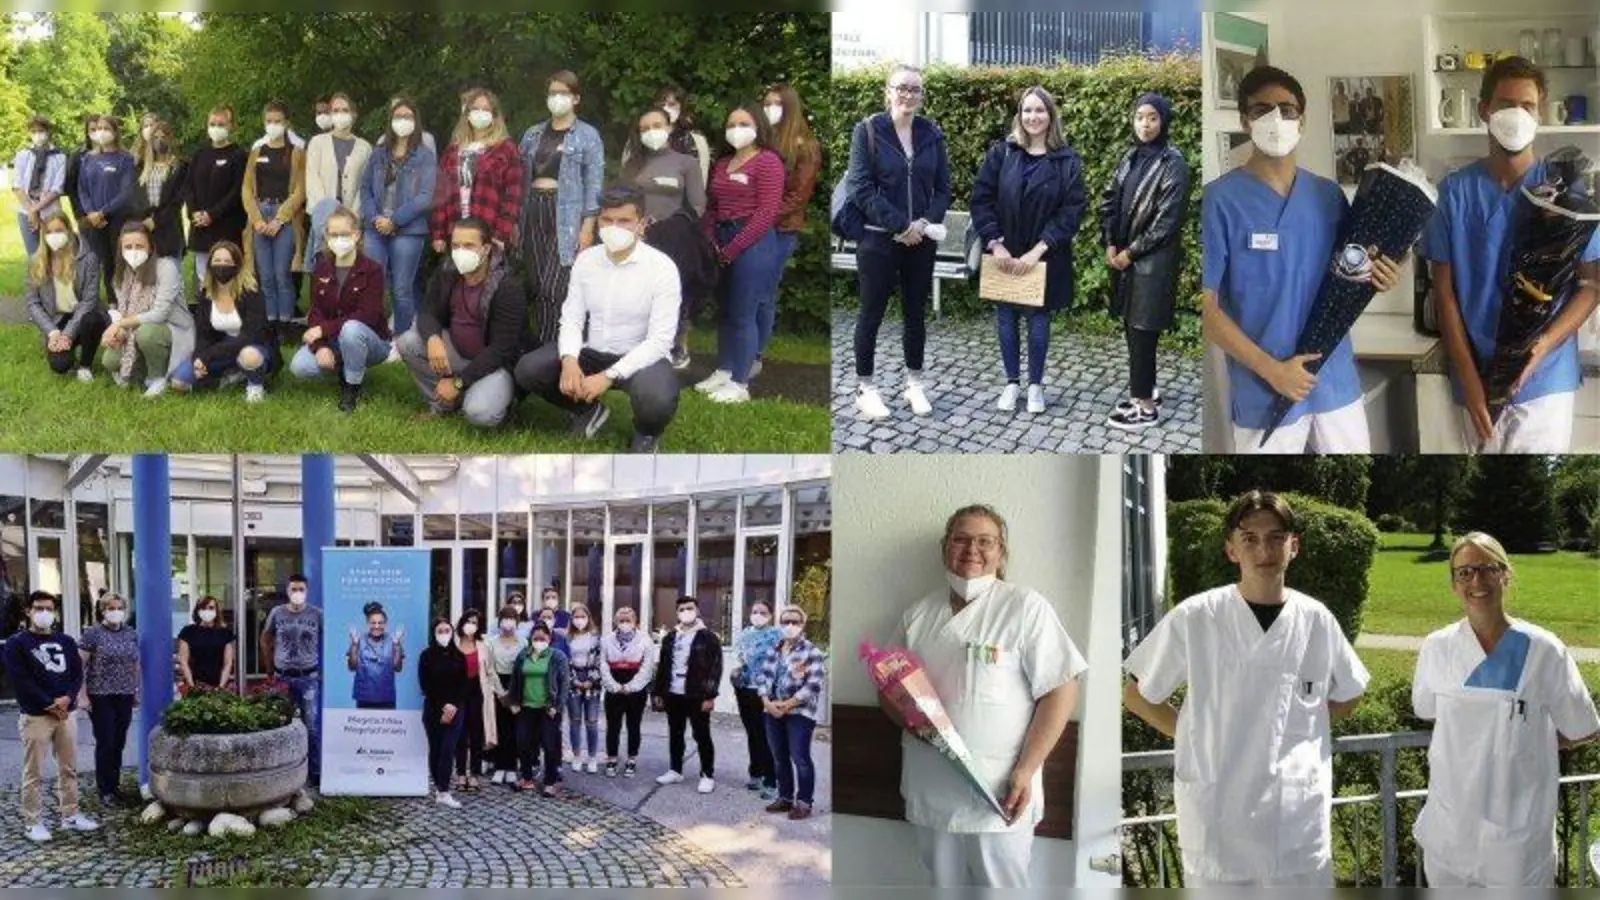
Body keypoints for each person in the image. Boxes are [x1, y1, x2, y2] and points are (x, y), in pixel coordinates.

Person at [1123, 490, 1369, 886]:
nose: (1264, 549)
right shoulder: (1197, 616)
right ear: (1231, 550)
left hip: (1296, 819)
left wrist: (1304, 728)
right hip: (1219, 818)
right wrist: (1190, 733)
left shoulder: (1316, 620)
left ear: (1294, 546)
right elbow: (1137, 694)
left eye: (1275, 537)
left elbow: (1352, 689)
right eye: (1249, 538)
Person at [1201, 66, 1401, 453]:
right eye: (1262, 110)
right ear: (1245, 120)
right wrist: (1272, 371)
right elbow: (1205, 307)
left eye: (1287, 109)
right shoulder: (1218, 202)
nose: (1276, 119)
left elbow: (1354, 272)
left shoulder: (1327, 196)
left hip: (1334, 382)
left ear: (1302, 119)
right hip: (1264, 391)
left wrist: (1386, 273)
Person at [884, 504, 1085, 887]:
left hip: (1000, 790)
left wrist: (1026, 770)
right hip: (932, 787)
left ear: (1001, 552)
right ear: (945, 548)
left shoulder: (1025, 607)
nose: (971, 549)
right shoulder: (918, 615)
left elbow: (1062, 688)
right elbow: (888, 690)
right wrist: (912, 721)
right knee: (942, 890)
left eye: (984, 541)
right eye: (960, 539)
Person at [1425, 56, 1599, 454]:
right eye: (1505, 104)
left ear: (1540, 114)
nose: (1516, 114)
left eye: (1527, 106)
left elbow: (1591, 285)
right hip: (1477, 378)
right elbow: (1444, 292)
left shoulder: (1566, 194)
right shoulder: (1454, 193)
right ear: (1484, 109)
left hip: (1545, 381)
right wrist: (1468, 379)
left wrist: (1543, 346)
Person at [1411, 531, 1600, 887]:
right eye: (1464, 572)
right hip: (1449, 831)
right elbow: (1427, 709)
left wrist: (1526, 743)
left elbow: (1583, 727)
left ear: (1505, 575)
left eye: (1487, 569)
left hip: (1518, 836)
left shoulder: (1544, 649)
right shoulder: (1437, 648)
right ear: (1454, 583)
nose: (1476, 580)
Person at [513, 185, 681, 452]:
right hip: (592, 351)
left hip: (640, 357)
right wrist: (569, 360)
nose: (614, 227)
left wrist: (608, 376)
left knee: (657, 397)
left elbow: (660, 340)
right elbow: (571, 318)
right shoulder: (587, 261)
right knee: (529, 369)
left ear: (642, 224)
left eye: (624, 221)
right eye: (607, 220)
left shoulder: (662, 268)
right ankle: (586, 411)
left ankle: (647, 434)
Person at [971, 85, 1088, 416]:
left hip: (1044, 254)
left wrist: (1038, 250)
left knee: (1038, 319)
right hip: (1004, 252)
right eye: (1027, 110)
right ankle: (1011, 383)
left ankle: (1035, 386)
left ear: (1051, 116)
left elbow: (1072, 210)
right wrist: (996, 244)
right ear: (1019, 115)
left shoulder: (1066, 160)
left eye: (1040, 110)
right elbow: (982, 199)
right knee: (1005, 317)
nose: (1033, 117)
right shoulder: (1003, 153)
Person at [845, 64, 953, 420]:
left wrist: (921, 224)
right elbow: (860, 188)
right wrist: (899, 225)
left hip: (921, 241)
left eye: (915, 89)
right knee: (871, 313)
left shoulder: (931, 134)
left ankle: (914, 384)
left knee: (914, 314)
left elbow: (942, 188)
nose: (908, 94)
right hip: (878, 240)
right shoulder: (868, 131)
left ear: (921, 96)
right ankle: (866, 388)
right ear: (887, 92)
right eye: (901, 87)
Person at [1099, 92, 1192, 430]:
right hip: (1126, 261)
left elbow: (1166, 224)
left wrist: (1129, 253)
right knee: (1132, 330)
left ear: (1163, 120)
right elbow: (1110, 200)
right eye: (1140, 117)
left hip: (1151, 266)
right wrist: (1110, 241)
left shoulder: (1174, 164)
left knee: (1142, 333)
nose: (1145, 124)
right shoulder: (1130, 157)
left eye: (1152, 117)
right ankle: (1146, 389)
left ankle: (1146, 408)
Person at [691, 105, 787, 405]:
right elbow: (713, 207)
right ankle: (724, 369)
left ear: (758, 126)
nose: (736, 129)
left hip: (753, 244)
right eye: (731, 123)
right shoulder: (723, 163)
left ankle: (740, 383)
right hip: (721, 239)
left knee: (744, 314)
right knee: (727, 311)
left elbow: (766, 214)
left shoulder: (769, 162)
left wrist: (732, 249)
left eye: (743, 123)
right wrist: (710, 239)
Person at [399, 217, 526, 426]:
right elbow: (428, 311)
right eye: (456, 245)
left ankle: (504, 403)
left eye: (469, 245)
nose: (460, 252)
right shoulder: (448, 270)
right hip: (458, 352)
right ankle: (441, 405)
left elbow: (502, 350)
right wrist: (433, 338)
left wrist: (458, 382)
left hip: (495, 365)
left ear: (486, 248)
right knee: (408, 342)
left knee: (478, 413)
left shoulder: (507, 286)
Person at [619, 106, 714, 371]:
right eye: (645, 128)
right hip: (637, 236)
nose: (651, 132)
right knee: (637, 292)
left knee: (674, 291)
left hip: (674, 238)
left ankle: (678, 342)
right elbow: (621, 199)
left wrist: (671, 222)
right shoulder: (633, 164)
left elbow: (697, 205)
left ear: (669, 127)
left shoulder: (686, 163)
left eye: (657, 126)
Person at [1, 591, 99, 842]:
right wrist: (48, 703)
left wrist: (68, 698)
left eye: (48, 608)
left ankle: (71, 815)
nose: (44, 613)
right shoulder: (17, 643)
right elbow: (21, 681)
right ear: (28, 611)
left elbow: (77, 674)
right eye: (38, 608)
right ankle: (33, 821)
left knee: (69, 767)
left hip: (66, 713)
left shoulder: (66, 641)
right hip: (36, 716)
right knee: (33, 771)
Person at [518, 70, 605, 347]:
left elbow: (594, 183)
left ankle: (556, 347)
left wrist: (588, 226)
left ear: (576, 98)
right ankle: (546, 347)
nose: (557, 98)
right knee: (536, 282)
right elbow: (518, 177)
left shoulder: (588, 135)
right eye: (553, 93)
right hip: (532, 209)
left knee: (553, 287)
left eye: (564, 93)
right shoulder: (532, 134)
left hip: (566, 215)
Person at [289, 206, 390, 413]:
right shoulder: (322, 268)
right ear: (326, 236)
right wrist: (321, 346)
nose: (338, 239)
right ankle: (348, 366)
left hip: (371, 340)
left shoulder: (373, 270)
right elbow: (316, 312)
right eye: (333, 234)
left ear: (356, 234)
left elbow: (368, 314)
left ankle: (351, 388)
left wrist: (323, 330)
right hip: (334, 339)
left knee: (351, 329)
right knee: (300, 367)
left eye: (344, 234)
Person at [361, 95, 438, 339]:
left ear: (416, 121)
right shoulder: (378, 153)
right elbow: (365, 189)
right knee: (373, 284)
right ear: (390, 120)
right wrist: (375, 218)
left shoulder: (425, 156)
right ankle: (375, 333)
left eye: (407, 117)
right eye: (398, 116)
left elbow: (425, 196)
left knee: (402, 288)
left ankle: (403, 339)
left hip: (409, 230)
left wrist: (394, 221)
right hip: (375, 228)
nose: (402, 121)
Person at [760, 83, 822, 369]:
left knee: (765, 293)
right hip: (756, 225)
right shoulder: (761, 140)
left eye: (776, 103)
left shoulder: (805, 146)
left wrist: (764, 216)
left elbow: (799, 195)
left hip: (781, 228)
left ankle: (756, 353)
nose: (769, 108)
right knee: (747, 292)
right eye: (766, 102)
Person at [170, 241, 273, 403]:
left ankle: (255, 385)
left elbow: (251, 335)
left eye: (227, 261)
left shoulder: (251, 291)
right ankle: (229, 377)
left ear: (237, 264)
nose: (221, 266)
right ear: (210, 264)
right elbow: (203, 334)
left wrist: (208, 356)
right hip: (221, 348)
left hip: (253, 345)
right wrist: (199, 357)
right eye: (217, 261)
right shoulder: (206, 294)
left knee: (249, 356)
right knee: (179, 383)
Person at [99, 222, 193, 397]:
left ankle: (157, 377)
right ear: (121, 249)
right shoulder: (121, 274)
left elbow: (160, 313)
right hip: (136, 327)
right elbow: (122, 311)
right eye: (128, 247)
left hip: (172, 328)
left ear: (150, 248)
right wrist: (118, 331)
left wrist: (121, 324)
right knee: (110, 361)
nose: (133, 251)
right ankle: (140, 369)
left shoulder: (166, 267)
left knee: (147, 334)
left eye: (139, 246)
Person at [431, 88, 523, 260]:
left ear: (495, 115)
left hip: (488, 231)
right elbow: (440, 195)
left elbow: (513, 196)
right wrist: (438, 233)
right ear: (467, 114)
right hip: (456, 230)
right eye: (476, 109)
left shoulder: (506, 148)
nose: (480, 113)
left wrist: (501, 232)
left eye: (486, 109)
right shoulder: (453, 150)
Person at [242, 101, 309, 336]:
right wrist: (257, 219)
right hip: (260, 216)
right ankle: (269, 325)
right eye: (269, 121)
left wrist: (280, 219)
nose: (273, 125)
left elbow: (300, 191)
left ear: (286, 123)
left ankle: (285, 324)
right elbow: (247, 189)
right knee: (266, 276)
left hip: (285, 217)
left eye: (277, 121)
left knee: (282, 274)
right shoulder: (257, 153)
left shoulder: (297, 153)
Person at [756, 606, 826, 821]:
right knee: (779, 757)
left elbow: (813, 685)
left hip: (800, 712)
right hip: (771, 710)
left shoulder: (811, 652)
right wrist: (767, 702)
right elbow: (763, 678)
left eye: (795, 622)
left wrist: (786, 705)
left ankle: (804, 802)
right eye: (786, 621)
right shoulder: (773, 649)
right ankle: (785, 797)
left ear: (803, 625)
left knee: (800, 757)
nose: (790, 626)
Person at [652, 596, 723, 794]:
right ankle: (675, 770)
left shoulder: (708, 637)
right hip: (673, 693)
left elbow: (715, 668)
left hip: (697, 694)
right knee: (675, 733)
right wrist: (659, 692)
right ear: (677, 613)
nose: (686, 612)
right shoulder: (670, 637)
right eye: (682, 609)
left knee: (702, 735)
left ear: (698, 610)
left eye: (689, 608)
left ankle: (707, 775)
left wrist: (710, 696)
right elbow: (663, 666)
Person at [25, 212, 108, 381]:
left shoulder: (89, 259)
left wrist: (68, 333)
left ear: (69, 230)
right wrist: (53, 333)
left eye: (59, 230)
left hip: (84, 314)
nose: (54, 236)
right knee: (60, 365)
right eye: (49, 232)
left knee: (92, 320)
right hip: (56, 320)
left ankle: (85, 365)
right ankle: (67, 351)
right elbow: (33, 303)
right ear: (43, 235)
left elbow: (89, 300)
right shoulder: (36, 262)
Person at [261, 575, 324, 790]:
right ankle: (281, 770)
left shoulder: (316, 614)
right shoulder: (277, 613)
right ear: (287, 591)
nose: (297, 592)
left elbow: (331, 638)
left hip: (308, 678)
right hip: (282, 677)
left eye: (301, 589)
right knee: (280, 724)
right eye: (294, 589)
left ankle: (315, 772)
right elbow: (265, 638)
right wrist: (269, 668)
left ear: (306, 591)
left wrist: (324, 670)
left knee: (312, 727)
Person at [77, 592, 139, 807]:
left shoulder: (131, 633)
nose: (115, 612)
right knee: (106, 741)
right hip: (100, 695)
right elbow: (79, 666)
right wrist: (82, 695)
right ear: (102, 610)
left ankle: (115, 786)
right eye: (110, 608)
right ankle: (105, 790)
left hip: (124, 694)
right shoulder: (92, 634)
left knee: (119, 742)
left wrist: (136, 690)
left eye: (119, 607)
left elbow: (134, 663)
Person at [302, 93, 372, 275]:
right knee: (323, 268)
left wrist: (352, 215)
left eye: (345, 110)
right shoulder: (317, 143)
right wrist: (327, 213)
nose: (340, 114)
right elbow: (312, 179)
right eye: (336, 110)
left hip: (351, 218)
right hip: (323, 218)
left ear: (354, 114)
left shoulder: (365, 148)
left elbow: (364, 185)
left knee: (347, 270)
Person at [184, 106, 248, 292]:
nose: (216, 128)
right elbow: (189, 188)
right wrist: (194, 213)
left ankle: (230, 311)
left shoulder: (238, 155)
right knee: (203, 276)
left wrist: (213, 214)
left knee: (227, 275)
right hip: (201, 227)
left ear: (231, 126)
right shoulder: (199, 155)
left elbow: (236, 191)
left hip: (226, 226)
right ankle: (206, 313)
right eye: (212, 124)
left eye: (221, 124)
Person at [75, 114, 136, 298]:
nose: (101, 132)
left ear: (115, 132)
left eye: (106, 128)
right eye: (98, 128)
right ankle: (111, 301)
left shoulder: (125, 159)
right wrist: (91, 212)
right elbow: (82, 188)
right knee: (103, 261)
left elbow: (126, 192)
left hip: (118, 218)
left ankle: (127, 299)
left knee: (120, 261)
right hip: (94, 220)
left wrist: (103, 212)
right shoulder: (88, 159)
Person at [510, 622, 570, 796]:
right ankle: (527, 777)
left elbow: (564, 684)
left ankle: (551, 781)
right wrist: (514, 701)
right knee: (523, 742)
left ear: (549, 639)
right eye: (535, 638)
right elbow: (515, 679)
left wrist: (557, 706)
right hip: (526, 707)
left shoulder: (557, 657)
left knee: (550, 745)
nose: (539, 641)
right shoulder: (523, 655)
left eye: (542, 638)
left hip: (547, 708)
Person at [730, 600, 781, 799]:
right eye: (754, 611)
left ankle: (771, 780)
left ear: (770, 615)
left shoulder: (777, 635)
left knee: (767, 735)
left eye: (763, 612)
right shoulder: (744, 635)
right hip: (745, 690)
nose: (758, 614)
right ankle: (756, 773)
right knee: (752, 733)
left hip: (767, 692)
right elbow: (738, 658)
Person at [599, 604, 656, 778]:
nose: (624, 623)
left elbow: (647, 667)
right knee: (613, 726)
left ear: (635, 621)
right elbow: (602, 665)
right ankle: (612, 758)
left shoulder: (645, 640)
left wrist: (631, 687)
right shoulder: (606, 640)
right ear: (616, 621)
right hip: (614, 687)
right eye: (621, 620)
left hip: (636, 689)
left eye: (627, 620)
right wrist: (614, 687)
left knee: (634, 725)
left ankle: (632, 759)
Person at [418, 616, 468, 808]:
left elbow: (464, 684)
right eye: (440, 631)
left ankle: (445, 790)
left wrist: (453, 705)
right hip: (433, 709)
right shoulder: (426, 656)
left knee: (448, 749)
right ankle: (439, 790)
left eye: (447, 630)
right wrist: (442, 706)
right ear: (433, 633)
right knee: (436, 749)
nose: (444, 634)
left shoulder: (459, 656)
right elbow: (425, 685)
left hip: (456, 710)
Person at [129, 119, 188, 269]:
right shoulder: (141, 166)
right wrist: (144, 219)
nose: (159, 141)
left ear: (170, 138)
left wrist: (157, 220)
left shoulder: (179, 167)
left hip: (169, 226)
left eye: (163, 137)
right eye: (155, 137)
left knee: (169, 273)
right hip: (144, 225)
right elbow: (136, 196)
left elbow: (177, 201)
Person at [453, 610, 499, 792]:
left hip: (478, 694)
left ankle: (474, 774)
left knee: (476, 734)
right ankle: (460, 774)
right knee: (460, 736)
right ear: (462, 623)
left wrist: (500, 693)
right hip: (458, 694)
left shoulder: (482, 646)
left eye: (475, 622)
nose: (471, 625)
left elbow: (491, 672)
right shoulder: (453, 644)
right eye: (468, 621)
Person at [13, 115, 67, 258]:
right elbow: (17, 186)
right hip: (26, 212)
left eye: (41, 131)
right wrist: (30, 210)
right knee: (35, 256)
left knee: (55, 253)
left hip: (51, 211)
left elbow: (57, 188)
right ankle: (37, 281)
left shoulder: (59, 157)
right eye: (34, 131)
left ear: (49, 131)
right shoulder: (23, 155)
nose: (38, 135)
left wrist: (36, 209)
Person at [488, 604, 526, 785]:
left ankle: (511, 767)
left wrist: (515, 694)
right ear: (499, 621)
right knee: (500, 728)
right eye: (505, 618)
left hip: (517, 687)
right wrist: (501, 693)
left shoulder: (523, 642)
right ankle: (499, 766)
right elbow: (490, 669)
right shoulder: (491, 642)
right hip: (498, 687)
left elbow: (525, 668)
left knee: (514, 729)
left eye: (512, 618)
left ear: (517, 622)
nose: (508, 622)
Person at [563, 601, 603, 773]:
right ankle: (577, 755)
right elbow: (564, 662)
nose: (580, 620)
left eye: (583, 617)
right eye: (576, 617)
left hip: (592, 682)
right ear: (572, 619)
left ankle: (592, 757)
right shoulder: (567, 638)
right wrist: (574, 681)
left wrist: (590, 681)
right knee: (575, 721)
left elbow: (600, 661)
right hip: (573, 682)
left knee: (592, 722)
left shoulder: (596, 637)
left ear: (588, 618)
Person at [347, 601, 404, 710]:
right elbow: (352, 667)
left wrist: (397, 645)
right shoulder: (359, 639)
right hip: (364, 697)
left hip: (386, 698)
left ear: (385, 623)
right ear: (368, 623)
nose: (377, 626)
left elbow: (398, 668)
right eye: (373, 623)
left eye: (380, 623)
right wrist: (354, 644)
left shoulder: (393, 640)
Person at [653, 85, 712, 185]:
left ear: (682, 107)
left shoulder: (694, 140)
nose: (665, 108)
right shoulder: (641, 135)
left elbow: (699, 180)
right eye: (661, 104)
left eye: (672, 104)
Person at [177, 595, 236, 692]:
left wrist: (220, 687)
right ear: (198, 610)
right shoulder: (188, 632)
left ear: (217, 611)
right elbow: (183, 661)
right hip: (194, 684)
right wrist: (192, 686)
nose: (207, 611)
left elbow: (228, 663)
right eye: (203, 608)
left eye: (211, 608)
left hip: (218, 685)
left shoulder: (225, 633)